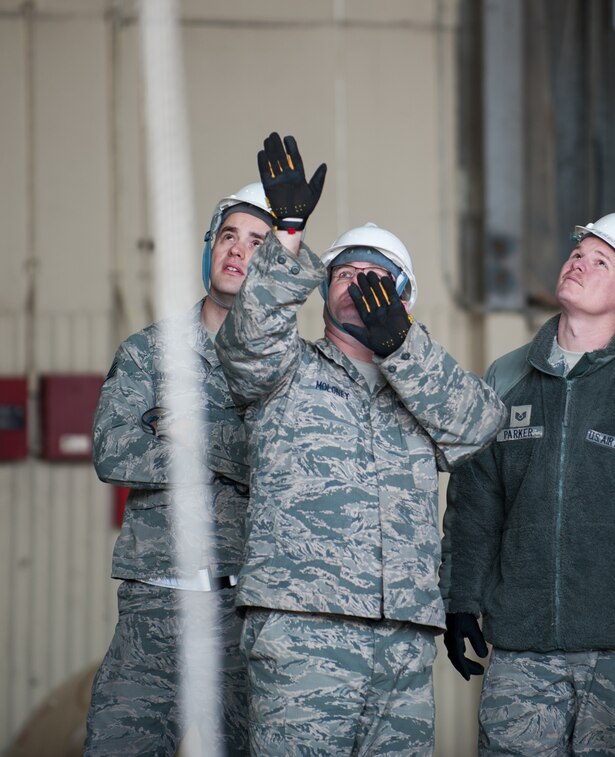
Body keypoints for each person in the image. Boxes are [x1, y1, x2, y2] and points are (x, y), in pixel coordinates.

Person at [214, 132, 505, 754]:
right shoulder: (286, 370)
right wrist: (287, 236)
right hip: (301, 632)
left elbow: (478, 425)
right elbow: (247, 343)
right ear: (323, 293)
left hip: (402, 638)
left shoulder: (424, 388)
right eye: (345, 274)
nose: (357, 285)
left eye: (377, 278)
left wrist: (404, 346)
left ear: (404, 300)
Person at [441, 211, 615, 755]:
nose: (578, 264)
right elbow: (476, 504)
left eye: (600, 261)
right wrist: (461, 599)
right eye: (578, 253)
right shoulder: (505, 378)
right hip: (522, 657)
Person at [86, 182, 273, 755]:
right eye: (227, 236)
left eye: (257, 244)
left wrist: (194, 434)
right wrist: (230, 451)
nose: (237, 250)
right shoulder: (149, 352)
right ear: (209, 249)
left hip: (246, 614)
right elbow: (112, 452)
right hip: (153, 611)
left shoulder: (285, 372)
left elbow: (282, 467)